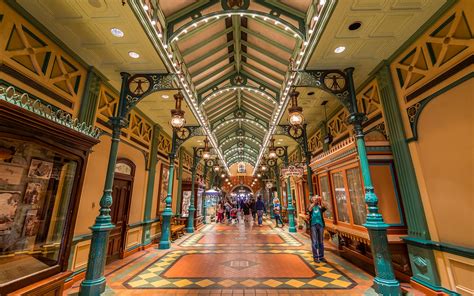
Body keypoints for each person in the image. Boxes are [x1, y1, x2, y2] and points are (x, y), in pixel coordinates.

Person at [308, 195, 327, 263]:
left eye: (316, 198)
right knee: (314, 241)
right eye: (314, 198)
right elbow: (309, 209)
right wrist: (314, 202)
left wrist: (321, 200)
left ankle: (321, 256)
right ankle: (315, 257)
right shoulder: (311, 206)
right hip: (313, 225)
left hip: (320, 225)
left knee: (321, 241)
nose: (316, 199)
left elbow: (325, 207)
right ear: (312, 200)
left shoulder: (320, 206)